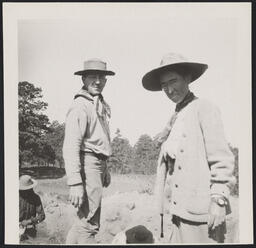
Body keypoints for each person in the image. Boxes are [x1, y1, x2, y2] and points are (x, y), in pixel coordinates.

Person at [142, 53, 235, 243]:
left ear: (188, 78)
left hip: (201, 215)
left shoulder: (204, 108)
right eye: (163, 85)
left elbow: (222, 159)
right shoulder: (178, 116)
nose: (168, 89)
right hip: (179, 212)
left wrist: (218, 200)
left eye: (173, 81)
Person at [63, 58, 115, 244]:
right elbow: (71, 146)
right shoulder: (81, 106)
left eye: (102, 77)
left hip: (97, 163)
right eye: (93, 76)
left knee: (83, 220)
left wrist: (105, 167)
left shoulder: (97, 104)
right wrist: (75, 183)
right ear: (83, 79)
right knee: (89, 222)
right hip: (88, 163)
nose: (98, 81)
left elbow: (99, 139)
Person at [19, 175, 45, 242]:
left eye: (30, 189)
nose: (29, 191)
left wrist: (29, 221)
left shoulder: (36, 198)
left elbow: (42, 216)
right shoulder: (15, 197)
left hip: (30, 229)